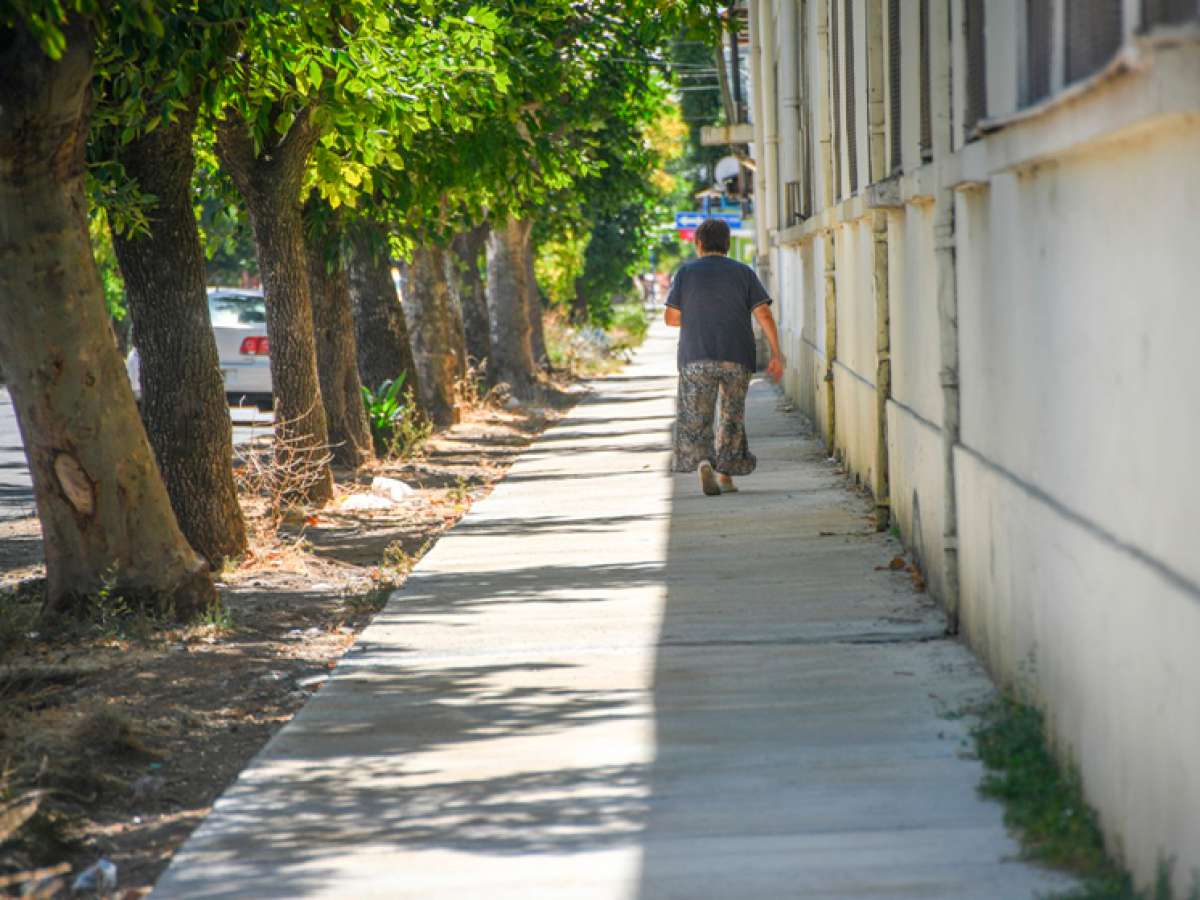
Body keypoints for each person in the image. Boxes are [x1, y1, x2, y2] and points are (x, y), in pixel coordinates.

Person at [664, 218, 784, 496]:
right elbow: (763, 313)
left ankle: (704, 461)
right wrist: (777, 353)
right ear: (728, 245)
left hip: (695, 357)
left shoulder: (685, 273)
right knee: (731, 416)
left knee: (696, 416)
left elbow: (671, 318)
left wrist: (698, 314)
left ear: (698, 244)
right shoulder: (743, 272)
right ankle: (726, 476)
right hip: (737, 356)